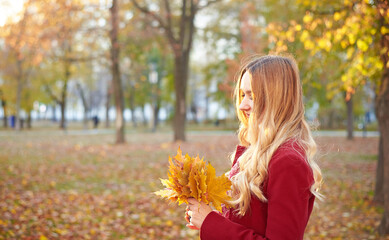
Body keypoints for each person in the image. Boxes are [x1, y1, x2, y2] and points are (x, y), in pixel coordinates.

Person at [185, 55, 323, 240]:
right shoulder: (257, 151)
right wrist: (209, 218)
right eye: (243, 95)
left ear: (276, 99)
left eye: (252, 96)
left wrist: (211, 222)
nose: (242, 105)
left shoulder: (288, 162)